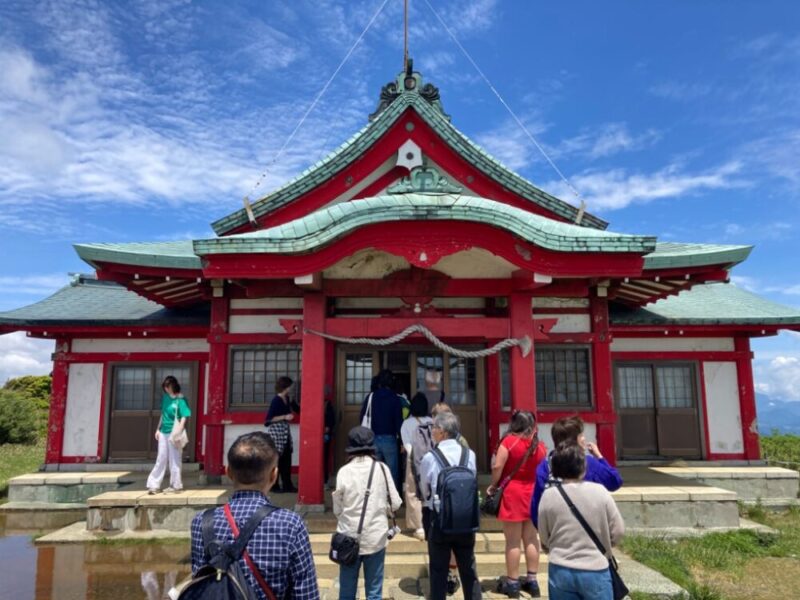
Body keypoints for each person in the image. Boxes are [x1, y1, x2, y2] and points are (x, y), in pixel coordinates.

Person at [190, 432, 319, 599]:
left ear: (228, 472)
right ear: (274, 475)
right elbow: (306, 594)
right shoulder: (291, 524)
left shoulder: (202, 521)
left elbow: (200, 583)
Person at [538, 443, 625, 600]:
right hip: (596, 567)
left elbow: (544, 536)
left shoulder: (548, 495)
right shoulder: (600, 492)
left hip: (560, 567)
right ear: (583, 467)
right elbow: (618, 531)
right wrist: (606, 545)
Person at [333, 426, 403, 600]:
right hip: (376, 537)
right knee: (374, 591)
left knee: (347, 589)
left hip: (348, 538)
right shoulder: (382, 469)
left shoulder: (344, 471)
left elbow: (337, 509)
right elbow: (395, 503)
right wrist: (381, 508)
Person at [419, 411, 482, 600]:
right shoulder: (469, 454)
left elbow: (425, 487)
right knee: (468, 568)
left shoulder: (431, 457)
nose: (432, 432)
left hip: (439, 518)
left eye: (435, 428)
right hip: (465, 518)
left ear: (443, 432)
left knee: (438, 569)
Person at [488, 411, 547, 598]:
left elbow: (498, 465)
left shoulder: (509, 441)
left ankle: (512, 583)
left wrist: (494, 484)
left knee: (512, 541)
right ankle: (532, 580)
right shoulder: (539, 444)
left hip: (513, 492)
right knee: (531, 538)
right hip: (532, 492)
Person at [530, 415, 623, 527]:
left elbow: (536, 508)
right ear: (574, 440)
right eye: (581, 435)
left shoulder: (544, 466)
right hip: (588, 529)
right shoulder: (589, 463)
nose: (584, 438)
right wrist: (599, 457)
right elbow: (615, 481)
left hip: (558, 531)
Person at [359, 369, 403, 491]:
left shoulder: (371, 397)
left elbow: (362, 416)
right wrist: (402, 440)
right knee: (392, 470)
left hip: (373, 438)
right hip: (390, 438)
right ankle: (392, 498)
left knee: (374, 471)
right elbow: (398, 422)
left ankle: (374, 495)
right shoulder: (394, 398)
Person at [147, 375, 191, 494]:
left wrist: (179, 431)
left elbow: (184, 416)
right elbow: (163, 414)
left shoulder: (181, 399)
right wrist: (158, 429)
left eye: (168, 386)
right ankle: (154, 485)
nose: (167, 389)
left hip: (174, 432)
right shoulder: (165, 398)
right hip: (163, 432)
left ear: (174, 386)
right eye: (165, 387)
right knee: (161, 458)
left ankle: (176, 485)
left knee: (175, 459)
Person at [401, 392, 432, 541]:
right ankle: (431, 522)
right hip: (432, 459)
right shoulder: (432, 421)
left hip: (413, 458)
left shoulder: (407, 423)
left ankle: (419, 526)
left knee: (413, 491)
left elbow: (407, 443)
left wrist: (413, 456)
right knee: (430, 489)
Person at [264, 376, 297, 493]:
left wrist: (293, 401)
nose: (291, 388)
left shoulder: (287, 398)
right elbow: (268, 419)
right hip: (277, 431)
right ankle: (274, 485)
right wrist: (284, 417)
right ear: (285, 387)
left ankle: (288, 485)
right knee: (276, 459)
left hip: (285, 431)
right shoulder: (276, 400)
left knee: (287, 457)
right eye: (290, 386)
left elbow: (297, 409)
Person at [324, 398, 336, 488]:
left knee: (324, 458)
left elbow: (331, 422)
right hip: (323, 434)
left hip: (325, 435)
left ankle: (325, 480)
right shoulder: (328, 407)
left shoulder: (328, 407)